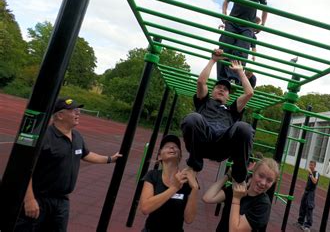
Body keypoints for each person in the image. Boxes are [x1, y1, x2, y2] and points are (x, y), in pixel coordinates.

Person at [15, 98, 122, 232]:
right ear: (60, 115)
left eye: (79, 111)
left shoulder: (77, 136)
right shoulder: (45, 137)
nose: (78, 114)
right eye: (74, 111)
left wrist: (110, 159)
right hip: (39, 199)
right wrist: (29, 199)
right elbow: (25, 169)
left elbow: (86, 154)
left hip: (62, 201)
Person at [181, 49, 254, 187]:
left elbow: (249, 93)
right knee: (192, 118)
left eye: (225, 89)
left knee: (244, 128)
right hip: (203, 140)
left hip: (223, 143)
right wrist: (213, 60)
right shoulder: (204, 101)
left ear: (228, 96)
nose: (221, 89)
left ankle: (238, 176)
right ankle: (194, 164)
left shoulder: (232, 109)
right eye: (218, 87)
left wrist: (240, 72)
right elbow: (201, 82)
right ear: (212, 91)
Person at [216, 0, 267, 84]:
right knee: (225, 48)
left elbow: (265, 9)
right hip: (232, 22)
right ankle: (222, 79)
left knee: (241, 50)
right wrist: (224, 13)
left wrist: (263, 24)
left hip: (248, 26)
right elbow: (226, 0)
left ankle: (233, 79)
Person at [139, 134, 199, 232]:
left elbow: (189, 219)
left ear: (180, 155)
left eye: (176, 147)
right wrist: (174, 188)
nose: (172, 147)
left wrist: (195, 189)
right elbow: (145, 208)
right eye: (167, 146)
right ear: (159, 156)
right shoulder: (153, 175)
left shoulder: (188, 180)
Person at [202, 158, 279, 232]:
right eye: (261, 176)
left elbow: (234, 230)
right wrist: (228, 176)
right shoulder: (239, 188)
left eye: (269, 180)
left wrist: (236, 198)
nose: (263, 183)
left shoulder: (263, 205)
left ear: (273, 183)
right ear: (254, 172)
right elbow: (207, 198)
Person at [295, 160, 319, 232]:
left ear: (314, 166)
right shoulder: (310, 173)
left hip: (311, 193)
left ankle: (307, 226)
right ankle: (300, 222)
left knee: (309, 207)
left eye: (312, 165)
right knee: (302, 206)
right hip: (306, 191)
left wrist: (311, 174)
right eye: (309, 165)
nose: (310, 166)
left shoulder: (316, 173)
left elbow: (315, 181)